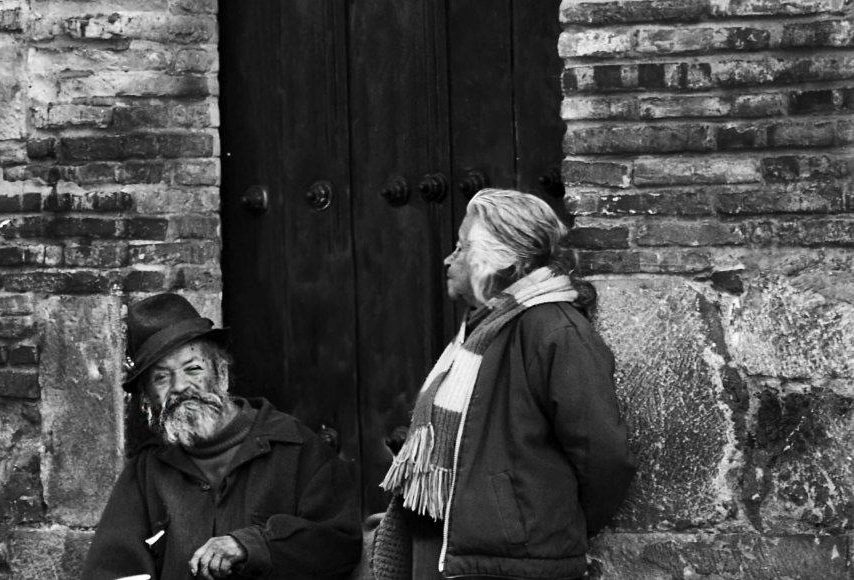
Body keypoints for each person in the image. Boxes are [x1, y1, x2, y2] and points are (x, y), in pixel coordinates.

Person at [373, 189, 637, 580]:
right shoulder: (483, 330)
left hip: (518, 565)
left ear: (500, 258)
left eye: (462, 248)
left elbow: (605, 456)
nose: (449, 259)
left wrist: (538, 523)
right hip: (460, 558)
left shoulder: (554, 330)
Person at [82, 293, 362, 580]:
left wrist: (253, 545)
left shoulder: (296, 448)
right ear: (148, 398)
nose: (180, 386)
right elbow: (113, 572)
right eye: (161, 377)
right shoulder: (145, 473)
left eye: (193, 369)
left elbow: (340, 545)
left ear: (222, 373)